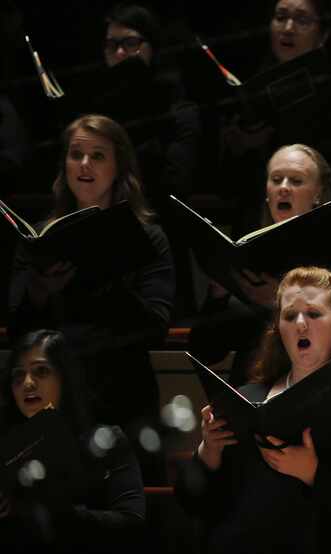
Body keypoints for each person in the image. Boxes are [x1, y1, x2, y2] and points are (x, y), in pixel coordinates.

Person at [176, 266, 331, 554]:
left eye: (314, 314)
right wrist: (208, 452)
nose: (301, 323)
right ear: (278, 328)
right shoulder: (247, 397)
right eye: (290, 316)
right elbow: (192, 502)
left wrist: (314, 472)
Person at [7, 114, 175, 483]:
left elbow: (155, 327)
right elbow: (16, 332)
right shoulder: (39, 239)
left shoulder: (149, 238)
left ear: (119, 167)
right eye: (75, 154)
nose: (84, 164)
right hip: (56, 402)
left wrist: (108, 277)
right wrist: (39, 291)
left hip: (124, 398)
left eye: (98, 156)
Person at [188, 143, 331, 385]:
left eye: (296, 181)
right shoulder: (247, 255)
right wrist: (218, 295)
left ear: (318, 193)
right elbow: (206, 351)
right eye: (276, 179)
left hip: (313, 391)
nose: (283, 188)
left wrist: (276, 303)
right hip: (252, 393)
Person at [219, 0, 331, 228]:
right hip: (253, 223)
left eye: (302, 20)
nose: (288, 28)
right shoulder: (248, 94)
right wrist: (241, 148)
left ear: (324, 34)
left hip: (324, 225)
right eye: (280, 17)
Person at [0, 329, 146, 554]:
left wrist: (61, 513)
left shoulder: (105, 440)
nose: (27, 383)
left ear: (65, 377)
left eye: (41, 371)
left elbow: (132, 523)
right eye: (18, 376)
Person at [101, 2, 201, 315]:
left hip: (162, 254)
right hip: (105, 257)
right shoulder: (98, 115)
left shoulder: (179, 112)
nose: (120, 54)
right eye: (112, 45)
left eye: (130, 43)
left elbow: (174, 187)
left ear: (152, 48)